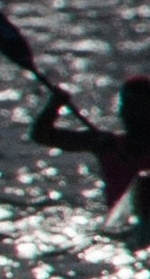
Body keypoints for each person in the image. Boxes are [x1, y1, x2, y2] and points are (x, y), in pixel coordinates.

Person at [31, 75, 150, 219]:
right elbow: (41, 135)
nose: (128, 114)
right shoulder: (105, 144)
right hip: (124, 226)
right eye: (127, 107)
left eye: (138, 108)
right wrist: (54, 106)